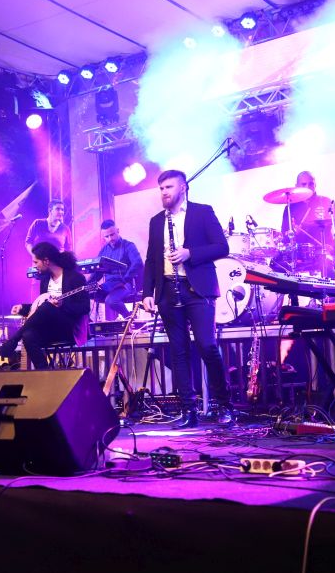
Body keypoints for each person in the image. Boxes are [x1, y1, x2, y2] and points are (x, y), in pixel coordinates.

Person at [142, 170, 232, 428]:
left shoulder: (202, 212)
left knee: (207, 345)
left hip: (197, 289)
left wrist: (189, 253)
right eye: (161, 188)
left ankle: (224, 405)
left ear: (183, 188)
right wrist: (147, 293)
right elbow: (151, 259)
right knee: (178, 351)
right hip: (168, 291)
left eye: (168, 187)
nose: (164, 192)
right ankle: (188, 410)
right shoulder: (156, 221)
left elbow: (222, 247)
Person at [0, 242, 90, 370]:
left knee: (47, 307)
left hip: (69, 329)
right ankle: (44, 372)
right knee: (28, 335)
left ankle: (13, 340)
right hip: (50, 328)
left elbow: (85, 307)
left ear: (46, 261)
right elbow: (41, 309)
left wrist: (63, 305)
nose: (34, 266)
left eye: (36, 262)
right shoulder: (45, 280)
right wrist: (23, 308)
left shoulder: (75, 278)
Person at [279, 171, 335, 278]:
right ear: (296, 186)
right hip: (298, 254)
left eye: (311, 184)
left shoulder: (325, 201)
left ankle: (330, 289)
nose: (308, 187)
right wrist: (293, 233)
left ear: (315, 184)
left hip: (322, 253)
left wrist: (333, 246)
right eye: (303, 184)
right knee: (278, 264)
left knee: (327, 263)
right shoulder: (290, 207)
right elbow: (284, 236)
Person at [91, 219, 143, 320]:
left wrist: (125, 279)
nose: (110, 238)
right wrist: (86, 284)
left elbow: (137, 263)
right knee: (87, 294)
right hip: (109, 285)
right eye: (106, 236)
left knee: (111, 300)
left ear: (118, 231)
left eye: (112, 234)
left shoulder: (128, 246)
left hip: (126, 284)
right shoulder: (103, 251)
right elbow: (98, 271)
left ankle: (129, 318)